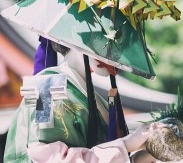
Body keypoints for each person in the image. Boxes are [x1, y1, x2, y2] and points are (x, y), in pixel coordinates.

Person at [4, 42, 161, 163]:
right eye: (106, 40)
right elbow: (47, 159)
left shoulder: (97, 99)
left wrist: (136, 158)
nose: (115, 53)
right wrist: (127, 144)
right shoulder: (45, 88)